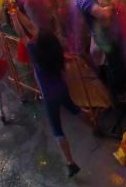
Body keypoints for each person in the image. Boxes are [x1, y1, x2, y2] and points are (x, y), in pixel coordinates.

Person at [26, 29, 97, 177]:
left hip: (50, 97)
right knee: (75, 109)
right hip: (61, 88)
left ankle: (71, 163)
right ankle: (95, 126)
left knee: (57, 130)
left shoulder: (35, 53)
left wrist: (13, 15)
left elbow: (22, 34)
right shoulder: (56, 53)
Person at [72, 0, 126, 105]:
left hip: (105, 32)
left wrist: (106, 3)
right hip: (104, 37)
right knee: (116, 64)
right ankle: (120, 97)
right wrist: (112, 5)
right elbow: (102, 15)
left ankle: (118, 91)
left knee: (115, 62)